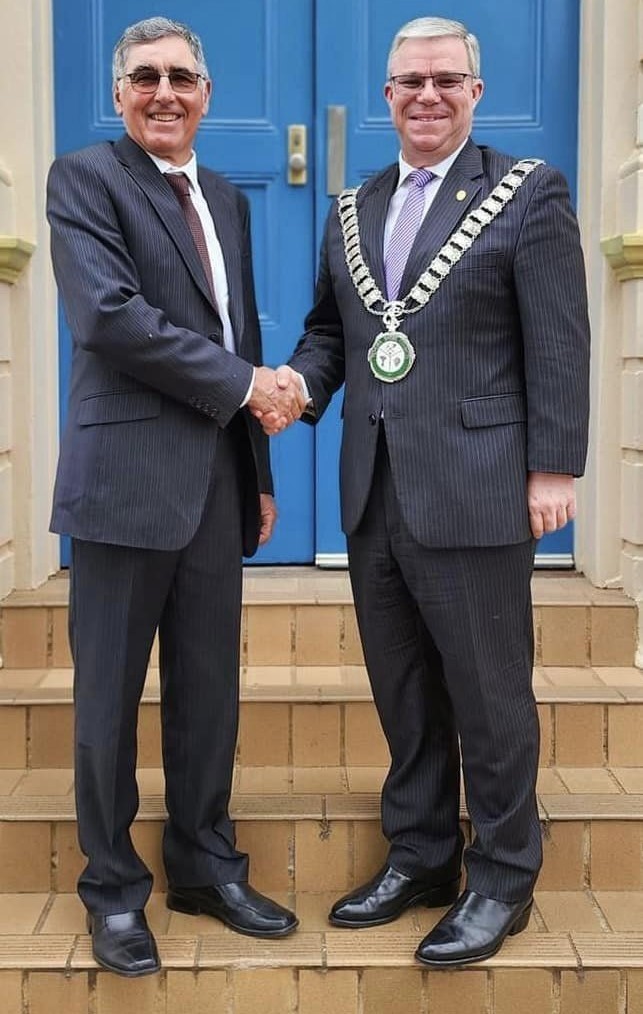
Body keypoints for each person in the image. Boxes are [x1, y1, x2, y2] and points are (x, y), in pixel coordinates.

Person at [265, 16, 590, 967]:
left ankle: (502, 875)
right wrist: (297, 385)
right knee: (403, 689)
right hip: (374, 487)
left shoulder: (528, 193)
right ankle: (420, 855)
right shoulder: (352, 206)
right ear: (386, 95)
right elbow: (334, 333)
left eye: (445, 80)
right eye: (408, 82)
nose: (426, 96)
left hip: (481, 485)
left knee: (489, 696)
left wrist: (554, 467)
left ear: (475, 92)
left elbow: (559, 338)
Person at [46, 16, 303, 977]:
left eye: (182, 78)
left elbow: (234, 335)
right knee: (107, 700)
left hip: (212, 486)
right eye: (144, 77)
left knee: (209, 692)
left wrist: (257, 469)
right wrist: (252, 390)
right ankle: (113, 891)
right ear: (119, 94)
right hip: (121, 483)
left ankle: (204, 864)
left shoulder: (227, 200)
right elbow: (112, 319)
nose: (164, 92)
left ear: (207, 95)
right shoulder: (85, 179)